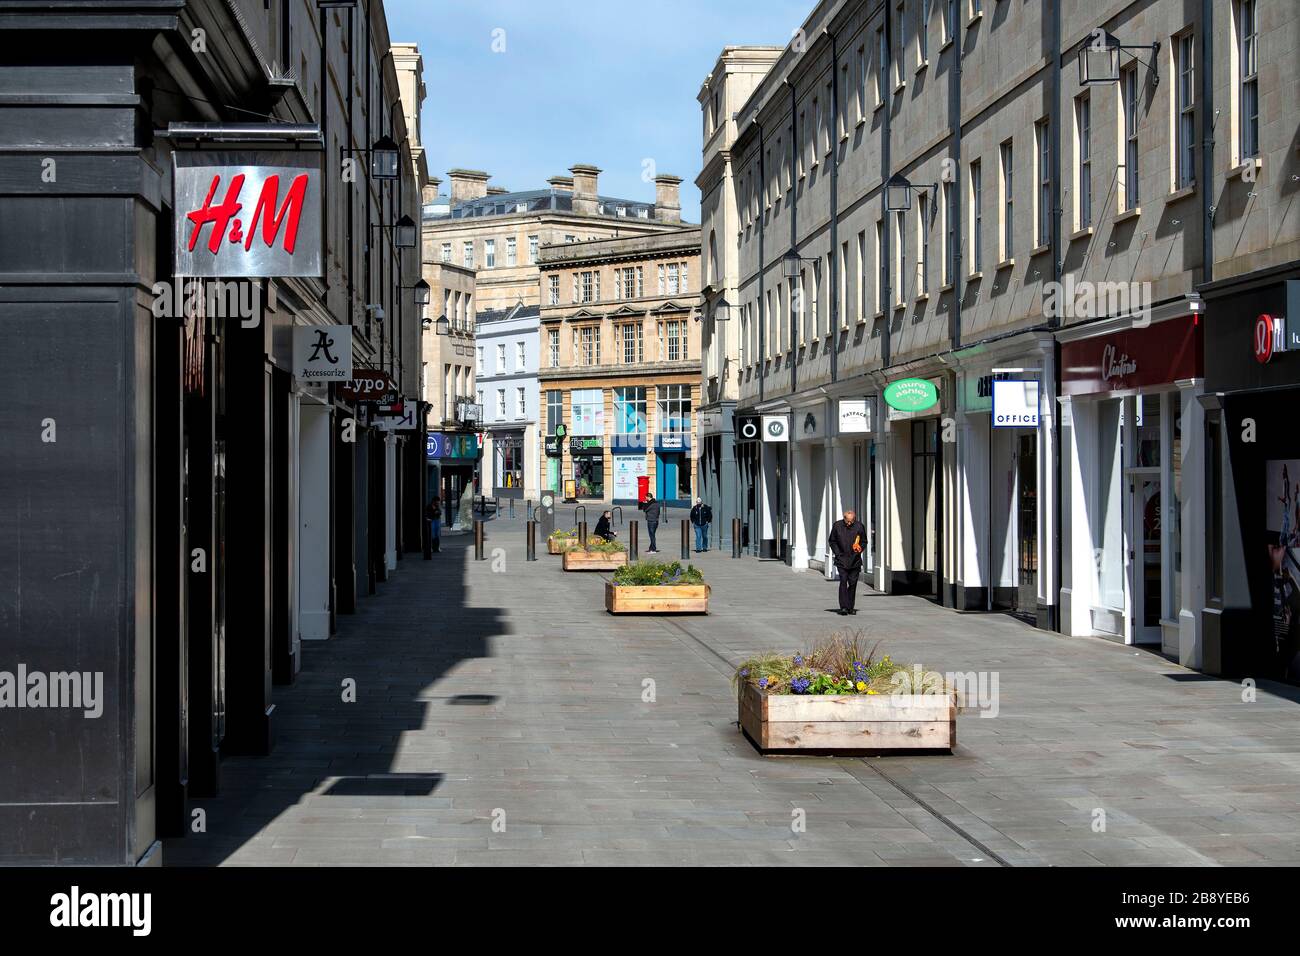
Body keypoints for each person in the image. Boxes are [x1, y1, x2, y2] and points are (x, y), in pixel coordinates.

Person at [827, 508, 867, 615]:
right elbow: (832, 541)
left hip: (855, 560)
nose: (849, 523)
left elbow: (864, 541)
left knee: (853, 583)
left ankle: (850, 606)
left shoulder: (859, 526)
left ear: (854, 519)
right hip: (841, 559)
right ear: (844, 518)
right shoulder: (837, 526)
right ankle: (844, 607)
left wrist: (860, 548)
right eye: (848, 521)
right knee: (843, 582)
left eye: (852, 521)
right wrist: (837, 553)